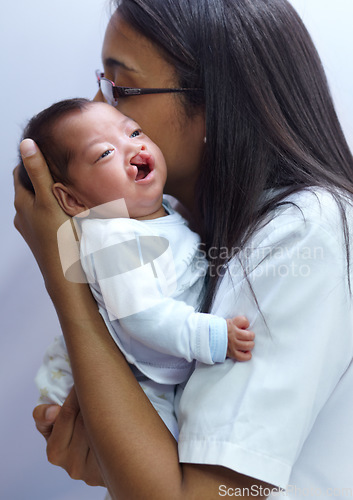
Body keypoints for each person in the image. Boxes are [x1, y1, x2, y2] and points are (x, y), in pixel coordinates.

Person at [13, 0, 353, 497]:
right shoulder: (179, 232)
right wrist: (121, 456)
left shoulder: (306, 231)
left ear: (217, 103)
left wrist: (62, 276)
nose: (101, 108)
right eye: (102, 83)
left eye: (121, 87)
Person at [18, 98, 254, 440]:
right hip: (137, 375)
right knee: (157, 453)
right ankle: (61, 406)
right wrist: (213, 336)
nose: (132, 146)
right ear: (74, 200)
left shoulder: (162, 211)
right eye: (104, 154)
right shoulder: (112, 238)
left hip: (151, 364)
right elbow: (143, 315)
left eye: (134, 131)